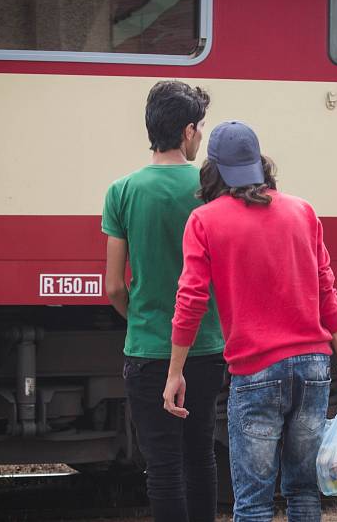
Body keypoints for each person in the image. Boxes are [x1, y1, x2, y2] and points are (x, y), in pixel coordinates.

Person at [162, 120, 337, 522]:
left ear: (214, 170)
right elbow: (328, 295)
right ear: (259, 164)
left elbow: (190, 302)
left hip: (256, 371)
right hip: (312, 369)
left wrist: (175, 373)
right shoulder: (302, 212)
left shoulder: (204, 220)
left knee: (254, 503)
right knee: (304, 492)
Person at [102, 80, 225, 522]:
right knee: (201, 458)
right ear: (188, 131)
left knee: (164, 467)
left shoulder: (122, 191)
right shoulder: (211, 188)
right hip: (207, 345)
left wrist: (139, 318)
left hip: (149, 348)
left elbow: (114, 285)